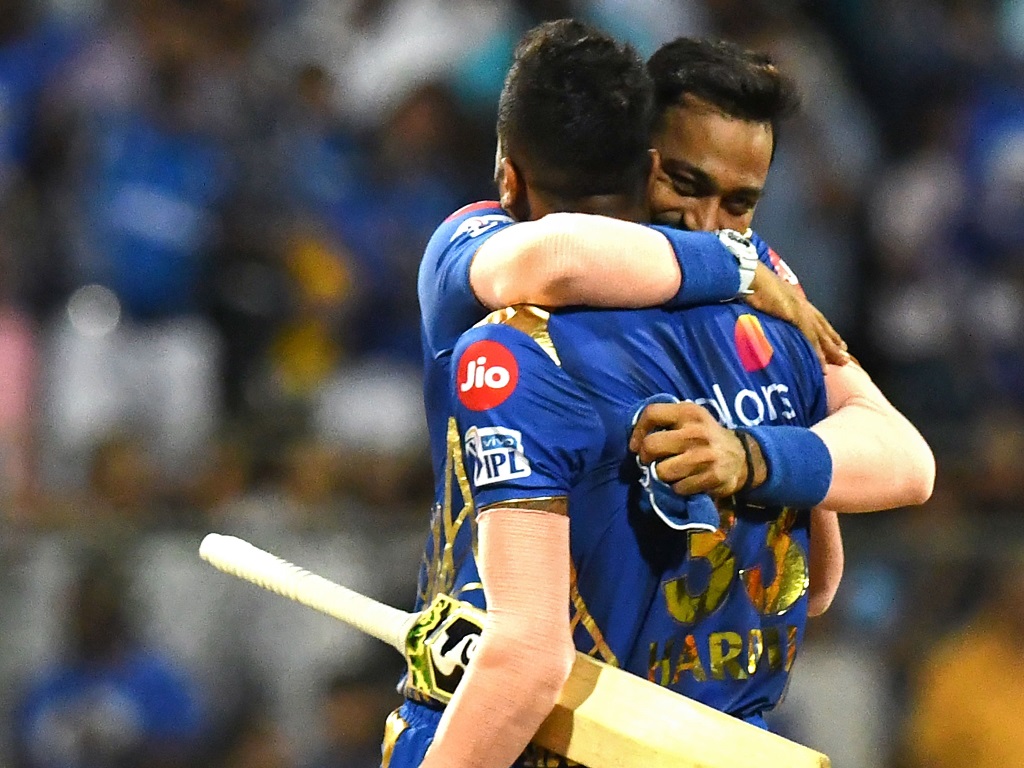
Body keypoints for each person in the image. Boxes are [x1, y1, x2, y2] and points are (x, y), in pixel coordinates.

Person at [390, 20, 930, 768]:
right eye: (685, 183)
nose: (707, 224)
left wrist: (751, 456)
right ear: (642, 158)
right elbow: (820, 579)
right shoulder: (755, 287)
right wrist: (738, 267)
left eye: (740, 206)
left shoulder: (524, 336)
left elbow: (899, 468)